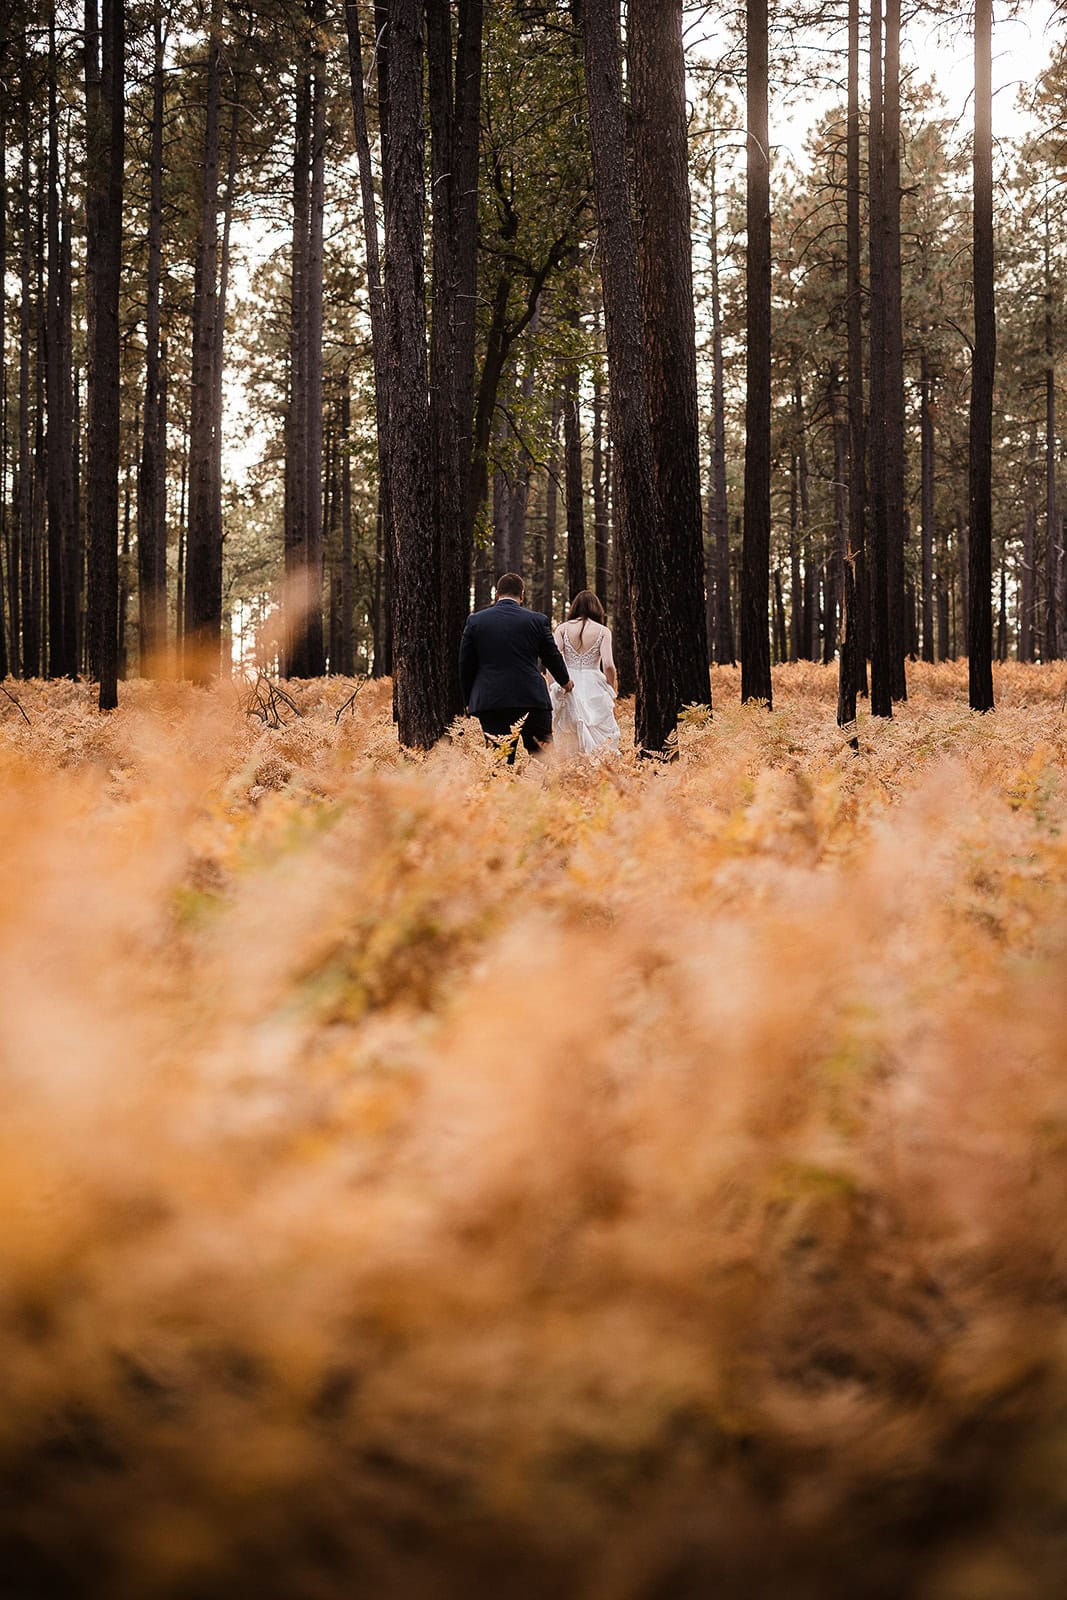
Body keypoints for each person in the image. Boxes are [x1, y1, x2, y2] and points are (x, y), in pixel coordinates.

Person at [459, 572, 573, 762]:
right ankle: (541, 792)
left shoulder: (476, 621)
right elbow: (551, 656)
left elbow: (465, 664)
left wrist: (468, 698)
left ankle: (504, 791)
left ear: (497, 594)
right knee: (543, 760)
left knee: (499, 762)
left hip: (491, 700)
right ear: (522, 594)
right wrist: (565, 681)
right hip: (531, 698)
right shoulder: (537, 620)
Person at [549, 590, 621, 755]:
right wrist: (610, 687)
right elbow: (609, 665)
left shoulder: (562, 629)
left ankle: (572, 773)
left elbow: (551, 660)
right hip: (594, 683)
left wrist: (553, 686)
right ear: (597, 608)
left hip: (568, 682)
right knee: (598, 733)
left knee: (569, 730)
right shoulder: (603, 631)